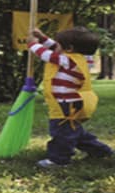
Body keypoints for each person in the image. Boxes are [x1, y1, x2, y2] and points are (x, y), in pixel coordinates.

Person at [27, 27, 113, 168]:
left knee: (61, 133)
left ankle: (59, 160)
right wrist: (43, 38)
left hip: (66, 105)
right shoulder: (84, 58)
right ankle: (101, 151)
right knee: (74, 131)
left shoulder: (68, 60)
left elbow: (47, 55)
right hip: (75, 102)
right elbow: (57, 48)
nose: (56, 46)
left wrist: (33, 44)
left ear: (70, 48)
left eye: (59, 44)